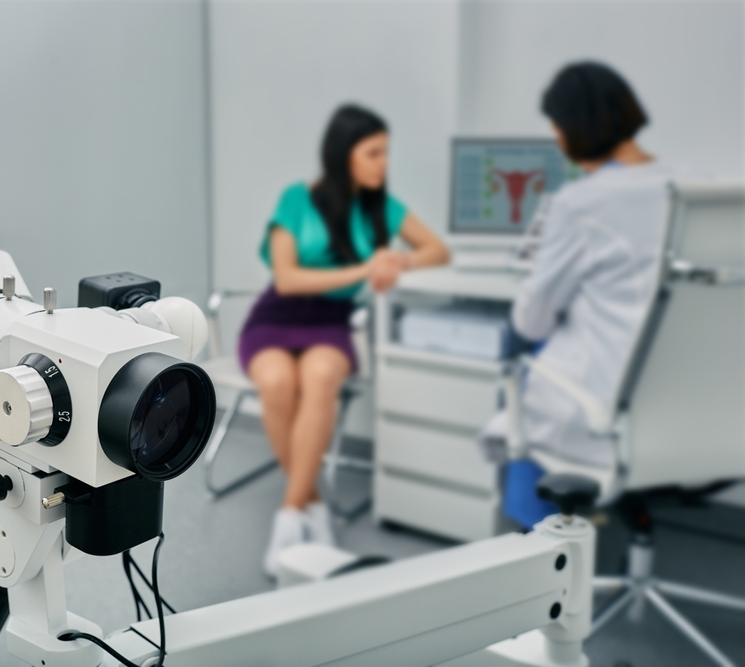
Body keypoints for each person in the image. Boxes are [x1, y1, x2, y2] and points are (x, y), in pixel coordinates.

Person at [239, 104, 449, 576]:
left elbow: (438, 250)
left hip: (332, 321)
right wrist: (365, 269)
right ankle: (313, 506)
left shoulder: (382, 209)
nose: (383, 164)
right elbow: (287, 278)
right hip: (277, 314)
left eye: (386, 153)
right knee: (277, 384)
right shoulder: (296, 199)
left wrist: (400, 262)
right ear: (342, 153)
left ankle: (289, 517)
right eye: (373, 153)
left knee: (319, 377)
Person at [482, 62, 689, 527]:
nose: (557, 140)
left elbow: (532, 319)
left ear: (575, 128)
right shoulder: (700, 189)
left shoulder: (580, 202)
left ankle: (532, 542)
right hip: (695, 410)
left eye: (556, 128)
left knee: (520, 357)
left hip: (606, 415)